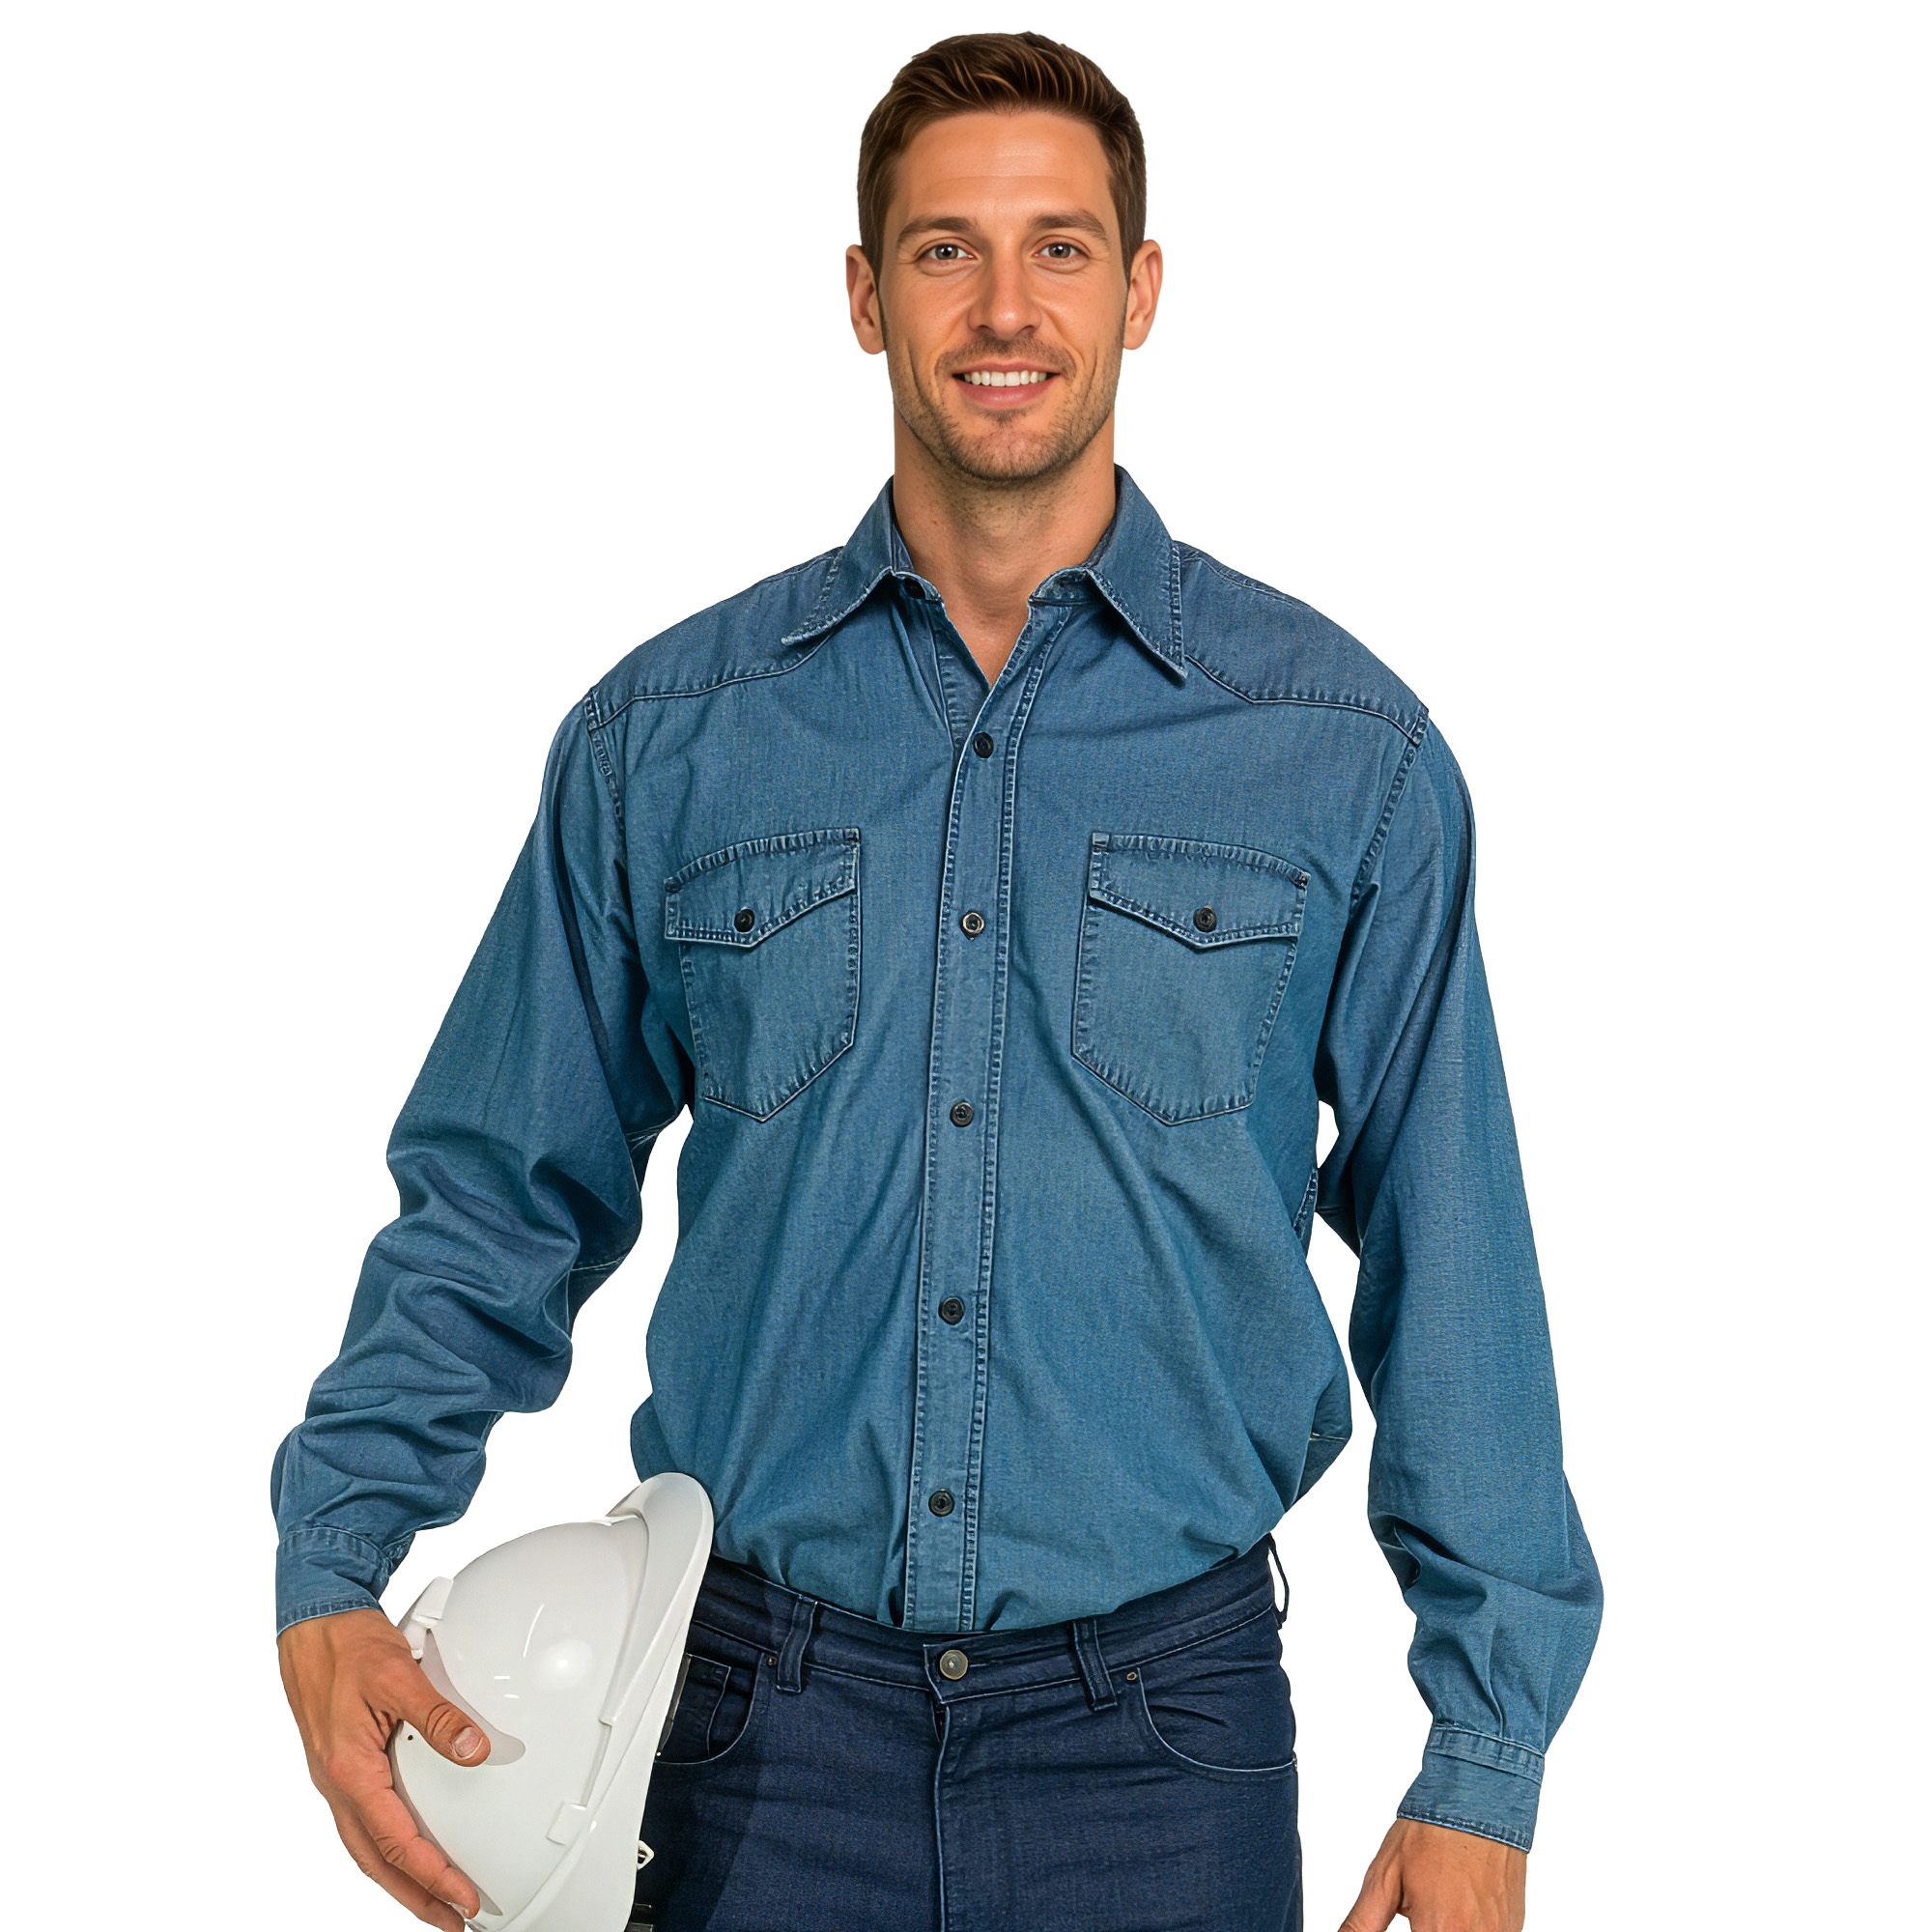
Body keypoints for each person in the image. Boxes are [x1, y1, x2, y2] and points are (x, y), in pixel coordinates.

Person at [271, 31, 1601, 1932]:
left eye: (1061, 247)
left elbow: (1450, 1252)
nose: (1003, 308)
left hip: (1163, 1745)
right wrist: (333, 1556)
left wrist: (1484, 1756)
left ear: (1141, 290)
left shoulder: (1338, 755)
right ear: (863, 293)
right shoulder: (669, 743)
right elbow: (498, 1192)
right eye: (944, 249)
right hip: (746, 1735)